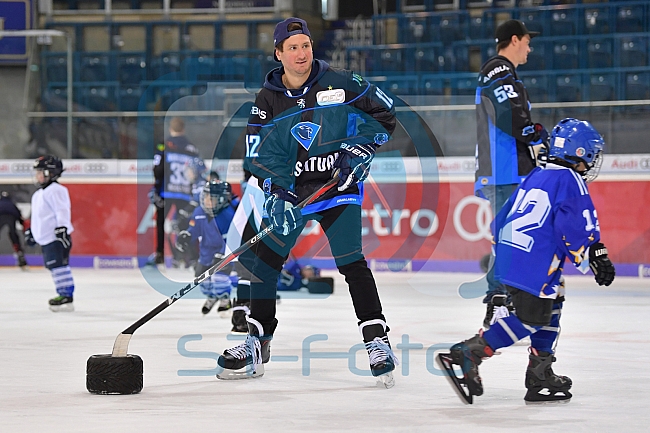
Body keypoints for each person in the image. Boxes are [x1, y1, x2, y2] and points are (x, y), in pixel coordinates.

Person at [216, 17, 399, 387]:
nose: (302, 53)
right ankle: (257, 341)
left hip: (336, 186)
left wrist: (358, 149)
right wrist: (279, 193)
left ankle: (377, 338)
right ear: (278, 53)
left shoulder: (342, 82)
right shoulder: (267, 99)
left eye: (306, 45)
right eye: (293, 47)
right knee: (265, 262)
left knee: (352, 263)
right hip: (294, 192)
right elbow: (258, 156)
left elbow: (385, 113)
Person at [438, 118, 616, 404]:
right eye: (592, 154)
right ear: (580, 152)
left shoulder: (536, 174)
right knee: (531, 318)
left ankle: (540, 371)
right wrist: (594, 252)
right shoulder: (570, 180)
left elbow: (500, 221)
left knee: (554, 298)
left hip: (515, 253)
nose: (593, 162)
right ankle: (471, 352)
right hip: (533, 260)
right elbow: (574, 224)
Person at [474, 19, 550, 328]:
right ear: (514, 40)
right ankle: (498, 301)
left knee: (511, 236)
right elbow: (509, 115)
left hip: (506, 169)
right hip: (505, 169)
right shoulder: (499, 70)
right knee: (508, 237)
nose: (530, 48)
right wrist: (537, 135)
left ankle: (504, 298)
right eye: (528, 41)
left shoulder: (503, 72)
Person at [175, 179, 239, 316]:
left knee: (220, 278)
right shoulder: (199, 212)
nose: (207, 201)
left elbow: (231, 239)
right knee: (200, 279)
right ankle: (212, 296)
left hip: (223, 253)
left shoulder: (228, 216)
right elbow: (193, 229)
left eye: (212, 198)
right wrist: (186, 236)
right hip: (206, 252)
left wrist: (223, 255)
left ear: (222, 199)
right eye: (206, 197)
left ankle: (224, 299)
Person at [24, 155, 76, 312]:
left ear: (51, 173)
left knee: (58, 266)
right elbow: (39, 217)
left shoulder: (56, 190)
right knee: (53, 267)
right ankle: (63, 293)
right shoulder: (38, 194)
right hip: (47, 239)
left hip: (56, 238)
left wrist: (62, 228)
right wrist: (33, 232)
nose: (37, 175)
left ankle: (66, 296)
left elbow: (62, 210)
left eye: (40, 172)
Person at [148, 117, 200, 267]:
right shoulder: (191, 148)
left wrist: (157, 187)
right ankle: (188, 257)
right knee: (185, 224)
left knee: (160, 223)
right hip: (184, 192)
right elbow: (197, 170)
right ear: (183, 129)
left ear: (170, 128)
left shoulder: (164, 145)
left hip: (166, 191)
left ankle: (160, 255)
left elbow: (157, 168)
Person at [0, 190, 28, 269]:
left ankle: (20, 254)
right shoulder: (12, 204)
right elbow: (18, 215)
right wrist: (22, 224)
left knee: (12, 234)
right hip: (11, 217)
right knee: (13, 235)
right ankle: (19, 253)